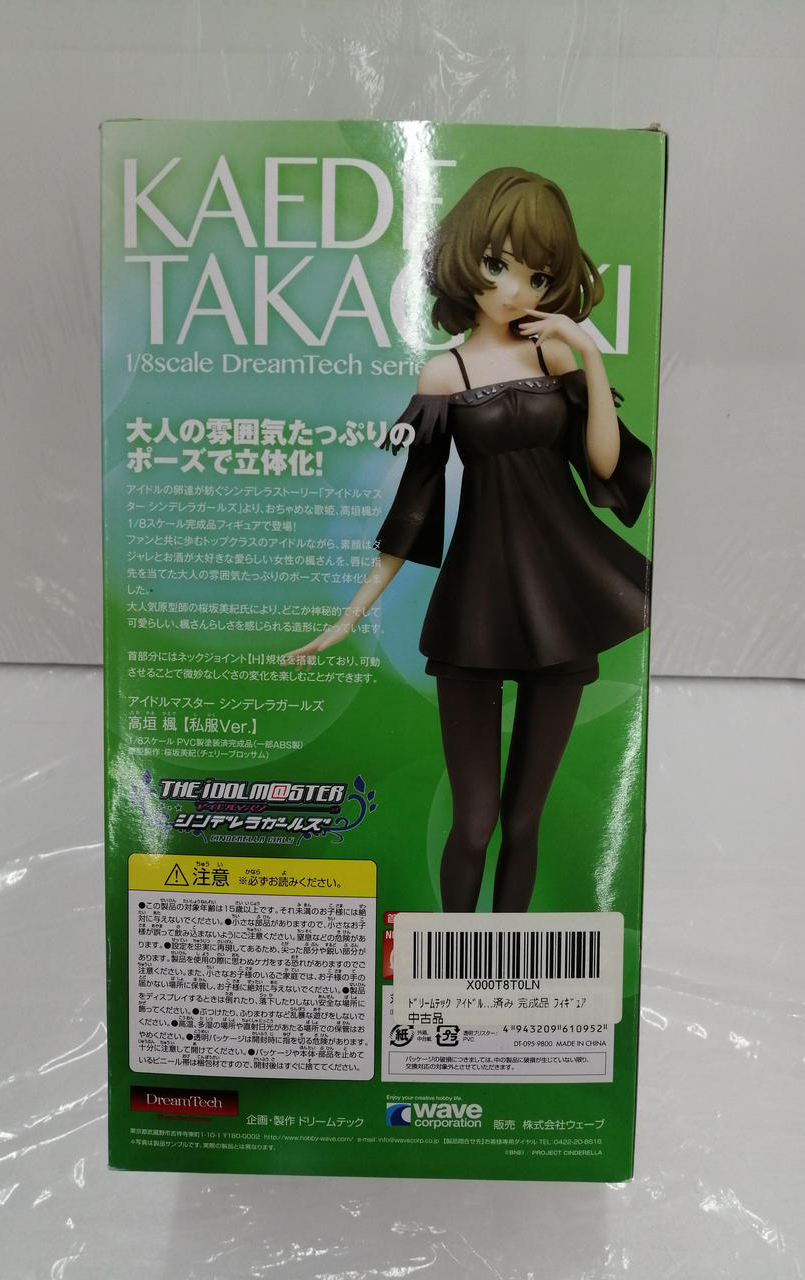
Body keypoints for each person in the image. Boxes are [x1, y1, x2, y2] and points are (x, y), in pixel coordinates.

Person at [286, 167, 651, 912]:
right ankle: (454, 957)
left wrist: (589, 353)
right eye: (498, 265)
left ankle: (503, 963)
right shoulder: (443, 374)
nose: (516, 291)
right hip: (477, 606)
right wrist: (349, 616)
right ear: (466, 256)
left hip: (561, 602)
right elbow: (414, 507)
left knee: (524, 822)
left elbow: (604, 466)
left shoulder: (554, 356)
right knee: (476, 823)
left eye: (537, 275)